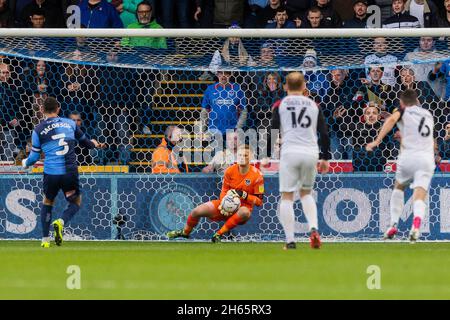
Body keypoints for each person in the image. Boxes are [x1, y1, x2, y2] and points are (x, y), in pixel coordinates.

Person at [21, 97, 105, 248]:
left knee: (48, 202)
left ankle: (45, 240)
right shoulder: (71, 124)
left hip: (51, 173)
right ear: (58, 109)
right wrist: (95, 143)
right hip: (69, 172)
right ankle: (61, 222)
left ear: (42, 110)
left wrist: (25, 163)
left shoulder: (38, 130)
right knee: (75, 201)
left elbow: (33, 157)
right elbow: (87, 144)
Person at [271, 72, 331, 250]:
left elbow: (273, 130)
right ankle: (313, 228)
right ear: (305, 86)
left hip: (290, 152)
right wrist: (325, 157)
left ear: (285, 87)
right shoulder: (313, 105)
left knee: (287, 197)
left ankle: (290, 241)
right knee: (306, 193)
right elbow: (325, 134)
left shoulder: (280, 105)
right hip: (310, 153)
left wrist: (267, 155)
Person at [366, 89, 435, 242]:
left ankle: (394, 224)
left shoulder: (402, 110)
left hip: (409, 156)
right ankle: (416, 226)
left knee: (399, 187)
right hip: (426, 158)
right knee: (420, 194)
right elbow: (430, 138)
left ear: (402, 102)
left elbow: (390, 120)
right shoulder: (427, 114)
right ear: (417, 101)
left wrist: (377, 141)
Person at [167, 144, 264, 242]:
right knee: (196, 211)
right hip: (225, 204)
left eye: (245, 155)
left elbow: (259, 201)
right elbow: (224, 190)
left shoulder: (257, 175)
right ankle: (185, 233)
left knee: (245, 212)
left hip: (243, 208)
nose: (242, 158)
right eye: (240, 155)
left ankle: (218, 235)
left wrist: (244, 195)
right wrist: (224, 204)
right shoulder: (230, 171)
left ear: (251, 156)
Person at [200, 70, 247, 137]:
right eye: (220, 73)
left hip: (232, 131)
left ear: (230, 75)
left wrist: (238, 129)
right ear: (217, 74)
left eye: (226, 73)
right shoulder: (210, 89)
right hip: (214, 130)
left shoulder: (237, 89)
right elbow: (205, 111)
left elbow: (243, 111)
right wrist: (202, 130)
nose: (223, 76)